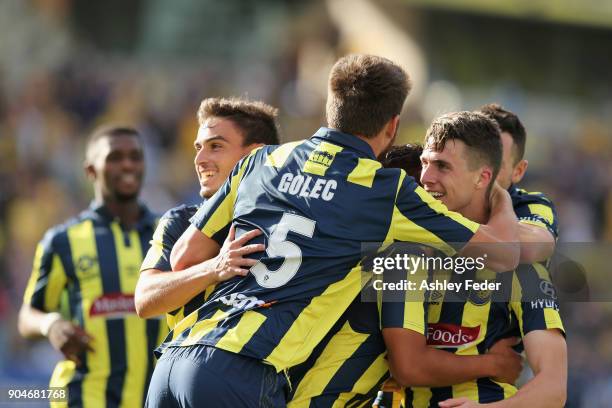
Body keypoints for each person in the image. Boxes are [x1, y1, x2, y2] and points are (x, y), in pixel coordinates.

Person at [164, 54, 519, 407]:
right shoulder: (383, 191)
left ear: (331, 108)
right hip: (245, 369)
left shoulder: (262, 160)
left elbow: (182, 258)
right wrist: (502, 196)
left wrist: (221, 265)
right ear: (392, 126)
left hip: (174, 358)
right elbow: (503, 254)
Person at [407, 111, 567, 407]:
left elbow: (554, 388)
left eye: (443, 166)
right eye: (425, 163)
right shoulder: (403, 233)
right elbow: (404, 364)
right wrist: (489, 364)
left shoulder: (524, 264)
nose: (426, 178)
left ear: (485, 177)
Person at [18, 126, 168, 407]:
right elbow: (27, 315)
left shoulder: (170, 233)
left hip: (155, 398)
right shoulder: (63, 241)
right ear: (90, 170)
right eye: (115, 157)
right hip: (85, 397)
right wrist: (51, 324)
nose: (127, 164)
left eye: (135, 156)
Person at [135, 97, 281, 329]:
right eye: (198, 148)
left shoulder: (286, 222)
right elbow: (145, 300)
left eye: (216, 146)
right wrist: (214, 268)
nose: (200, 160)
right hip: (188, 359)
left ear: (256, 155)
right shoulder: (180, 220)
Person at [477, 103, 558, 264]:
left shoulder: (533, 204)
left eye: (496, 165)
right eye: (474, 160)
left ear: (518, 171)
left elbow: (531, 248)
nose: (480, 172)